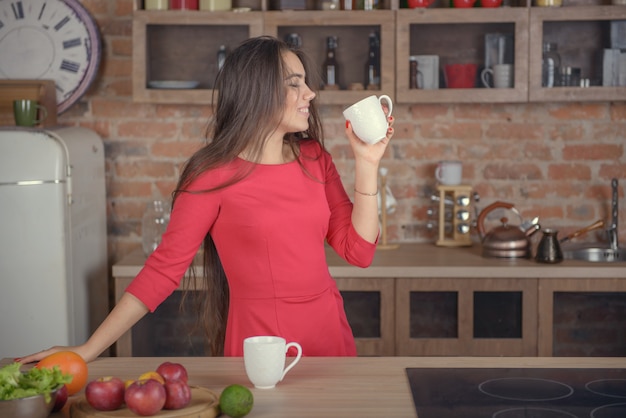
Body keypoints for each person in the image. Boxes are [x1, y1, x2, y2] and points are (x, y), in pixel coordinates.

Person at [19, 35, 394, 363]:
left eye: (305, 83)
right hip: (263, 345)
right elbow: (162, 271)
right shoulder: (211, 175)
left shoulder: (315, 158)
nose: (310, 93)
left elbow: (358, 252)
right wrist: (87, 350)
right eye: (295, 84)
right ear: (258, 91)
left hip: (331, 338)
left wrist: (366, 162)